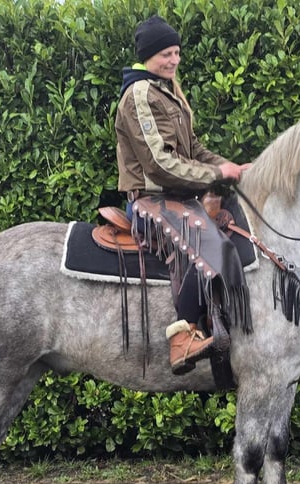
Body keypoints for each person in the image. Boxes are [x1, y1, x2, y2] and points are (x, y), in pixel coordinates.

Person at [115, 15, 251, 375]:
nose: (173, 60)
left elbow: (194, 150)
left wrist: (230, 167)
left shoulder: (170, 90)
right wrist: (214, 174)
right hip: (150, 199)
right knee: (204, 244)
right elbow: (159, 163)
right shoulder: (139, 94)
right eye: (165, 54)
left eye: (176, 52)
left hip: (179, 196)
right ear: (147, 56)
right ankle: (183, 336)